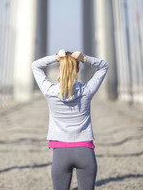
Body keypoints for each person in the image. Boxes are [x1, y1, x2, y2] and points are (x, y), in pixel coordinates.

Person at [31, 49, 109, 190]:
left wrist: (56, 57)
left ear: (60, 68)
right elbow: (104, 66)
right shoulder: (86, 91)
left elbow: (35, 65)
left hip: (60, 153)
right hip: (85, 151)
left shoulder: (50, 92)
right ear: (78, 69)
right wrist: (84, 58)